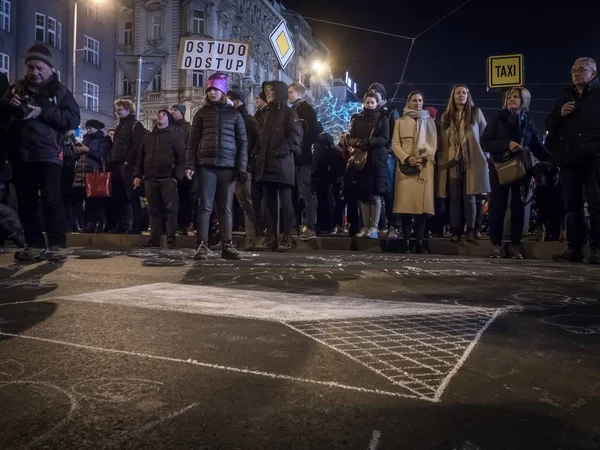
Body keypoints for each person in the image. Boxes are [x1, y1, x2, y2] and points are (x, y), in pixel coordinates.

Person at [0, 44, 80, 262]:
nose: (34, 72)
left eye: (39, 68)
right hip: (20, 154)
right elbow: (2, 113)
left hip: (48, 154)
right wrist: (9, 105)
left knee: (51, 199)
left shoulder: (59, 91)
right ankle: (33, 244)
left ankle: (57, 245)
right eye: (30, 68)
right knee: (25, 202)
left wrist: (41, 112)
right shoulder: (17, 88)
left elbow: (73, 119)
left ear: (50, 70)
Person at [482, 87, 551, 259]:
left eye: (516, 97)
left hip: (522, 169)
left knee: (519, 207)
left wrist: (555, 161)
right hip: (499, 169)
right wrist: (507, 144)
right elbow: (485, 143)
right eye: (509, 97)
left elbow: (538, 147)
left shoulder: (527, 122)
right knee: (497, 206)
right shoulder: (497, 119)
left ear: (524, 101)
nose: (512, 99)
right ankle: (496, 245)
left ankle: (515, 245)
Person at [185, 73, 248, 260]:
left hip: (228, 166)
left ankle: (227, 245)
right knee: (205, 206)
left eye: (216, 89)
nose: (212, 92)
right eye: (209, 89)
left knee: (225, 207)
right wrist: (189, 165)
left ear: (223, 91)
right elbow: (193, 141)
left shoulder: (235, 114)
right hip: (206, 165)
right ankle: (202, 244)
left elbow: (242, 142)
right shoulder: (201, 113)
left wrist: (241, 167)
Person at [546, 57, 600, 264]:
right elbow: (550, 123)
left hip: (593, 157)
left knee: (596, 204)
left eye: (581, 70)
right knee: (572, 205)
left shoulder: (597, 95)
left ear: (593, 73)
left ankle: (597, 248)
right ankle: (574, 248)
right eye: (573, 70)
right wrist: (560, 115)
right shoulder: (565, 96)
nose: (576, 73)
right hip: (569, 159)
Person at [253, 80, 303, 251]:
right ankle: (271, 237)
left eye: (271, 90)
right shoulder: (267, 115)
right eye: (266, 91)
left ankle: (287, 236)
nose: (267, 93)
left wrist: (281, 151)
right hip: (266, 165)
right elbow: (261, 141)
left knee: (286, 202)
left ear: (280, 92)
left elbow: (295, 138)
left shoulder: (290, 113)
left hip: (282, 165)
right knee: (269, 202)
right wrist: (257, 154)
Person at [438, 85, 489, 242]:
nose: (461, 95)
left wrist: (485, 157)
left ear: (468, 95)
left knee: (471, 197)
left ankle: (471, 230)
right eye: (458, 93)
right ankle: (455, 230)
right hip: (453, 162)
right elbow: (442, 141)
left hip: (472, 161)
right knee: (454, 198)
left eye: (464, 93)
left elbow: (484, 135)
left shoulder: (475, 112)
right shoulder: (447, 116)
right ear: (453, 96)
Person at [392, 91, 438, 254]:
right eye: (414, 100)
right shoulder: (400, 121)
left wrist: (423, 157)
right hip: (406, 168)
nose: (417, 103)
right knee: (406, 208)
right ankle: (405, 241)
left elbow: (433, 143)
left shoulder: (429, 121)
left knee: (422, 210)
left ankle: (418, 242)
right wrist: (407, 158)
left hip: (424, 167)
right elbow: (395, 144)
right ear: (408, 102)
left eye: (420, 100)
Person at [134, 110, 184, 249]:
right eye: (159, 115)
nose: (160, 116)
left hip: (168, 179)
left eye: (163, 115)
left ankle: (171, 240)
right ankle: (154, 239)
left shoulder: (174, 137)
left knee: (171, 210)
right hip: (150, 179)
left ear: (168, 119)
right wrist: (137, 175)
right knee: (153, 211)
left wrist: (176, 177)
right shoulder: (148, 137)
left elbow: (181, 158)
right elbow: (141, 158)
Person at [347, 92, 390, 238]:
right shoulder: (358, 119)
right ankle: (365, 227)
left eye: (372, 102)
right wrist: (359, 143)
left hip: (376, 160)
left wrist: (368, 142)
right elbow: (351, 138)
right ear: (364, 103)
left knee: (376, 194)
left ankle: (374, 228)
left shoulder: (383, 119)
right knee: (363, 195)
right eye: (367, 102)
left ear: (377, 103)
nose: (370, 105)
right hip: (361, 161)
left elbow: (385, 139)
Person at [288, 82, 323, 240]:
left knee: (305, 192)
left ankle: (310, 226)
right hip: (292, 158)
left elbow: (315, 131)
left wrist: (302, 146)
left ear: (299, 94)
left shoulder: (306, 110)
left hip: (303, 157)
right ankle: (294, 226)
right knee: (293, 193)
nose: (288, 95)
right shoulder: (291, 110)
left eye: (291, 92)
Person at [227, 89, 260, 250]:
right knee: (225, 205)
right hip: (227, 166)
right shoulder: (228, 118)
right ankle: (226, 238)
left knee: (246, 203)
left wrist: (246, 162)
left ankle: (251, 237)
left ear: (237, 101)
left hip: (243, 168)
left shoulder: (248, 120)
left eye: (230, 100)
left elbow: (254, 145)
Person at [108, 99, 147, 234]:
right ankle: (123, 224)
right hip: (117, 163)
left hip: (128, 165)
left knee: (132, 196)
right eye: (116, 110)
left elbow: (138, 145)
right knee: (119, 196)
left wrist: (128, 161)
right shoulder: (119, 126)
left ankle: (136, 226)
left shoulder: (135, 125)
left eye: (120, 110)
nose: (117, 112)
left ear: (128, 110)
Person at [367, 82, 401, 237]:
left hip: (387, 157)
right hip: (371, 156)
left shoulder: (390, 112)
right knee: (374, 191)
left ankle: (392, 225)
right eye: (371, 92)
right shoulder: (368, 111)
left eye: (376, 92)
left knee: (388, 191)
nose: (373, 94)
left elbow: (395, 134)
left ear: (382, 95)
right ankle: (378, 226)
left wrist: (389, 151)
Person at [72, 120, 112, 233]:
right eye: (88, 127)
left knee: (96, 201)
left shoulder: (103, 140)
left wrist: (87, 150)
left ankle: (99, 224)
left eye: (91, 128)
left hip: (95, 174)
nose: (89, 130)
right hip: (82, 175)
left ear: (97, 129)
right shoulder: (85, 139)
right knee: (85, 201)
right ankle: (89, 224)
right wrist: (78, 151)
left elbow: (102, 156)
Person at [312, 132, 345, 234]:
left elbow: (316, 164)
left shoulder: (320, 149)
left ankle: (322, 226)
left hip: (321, 180)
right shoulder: (335, 151)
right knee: (330, 203)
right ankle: (330, 226)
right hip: (330, 180)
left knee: (323, 204)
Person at [170, 104, 193, 236]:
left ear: (182, 113)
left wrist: (189, 166)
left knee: (185, 198)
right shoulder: (169, 126)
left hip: (183, 167)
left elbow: (190, 147)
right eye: (172, 110)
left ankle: (183, 225)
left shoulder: (187, 128)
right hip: (170, 167)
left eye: (175, 110)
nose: (172, 112)